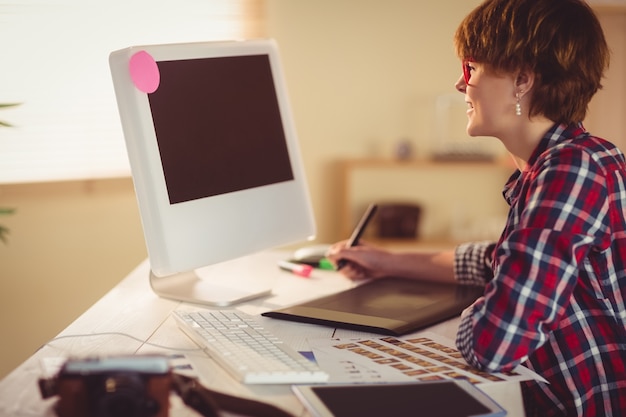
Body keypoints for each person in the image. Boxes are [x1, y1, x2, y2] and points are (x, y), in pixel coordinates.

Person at [326, 0, 626, 416]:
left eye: (470, 68)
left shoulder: (571, 170)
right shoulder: (568, 161)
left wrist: (468, 314)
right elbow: (499, 260)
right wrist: (388, 262)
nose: (459, 84)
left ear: (522, 79)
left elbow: (495, 342)